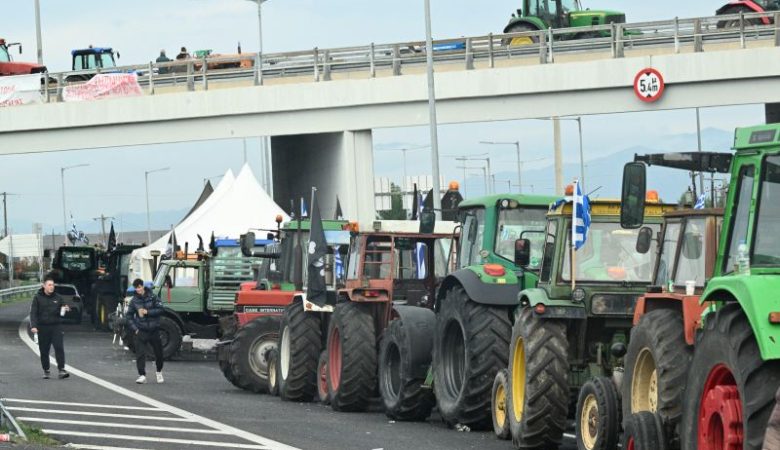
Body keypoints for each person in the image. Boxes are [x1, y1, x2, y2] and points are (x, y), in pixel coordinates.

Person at [30, 275, 70, 379]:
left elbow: (64, 308)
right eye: (49, 285)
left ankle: (61, 370)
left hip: (56, 326)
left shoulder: (58, 297)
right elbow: (33, 313)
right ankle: (46, 369)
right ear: (44, 286)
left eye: (53, 285)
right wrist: (33, 326)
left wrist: (66, 309)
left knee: (59, 347)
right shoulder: (37, 298)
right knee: (44, 350)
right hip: (43, 327)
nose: (52, 287)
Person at [126, 278, 165, 384]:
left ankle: (159, 371)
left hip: (154, 329)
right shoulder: (134, 300)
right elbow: (128, 316)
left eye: (139, 287)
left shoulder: (153, 297)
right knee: (140, 353)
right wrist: (135, 329)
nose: (138, 290)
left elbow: (161, 309)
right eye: (136, 288)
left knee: (159, 353)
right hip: (141, 330)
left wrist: (147, 311)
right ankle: (142, 375)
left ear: (143, 286)